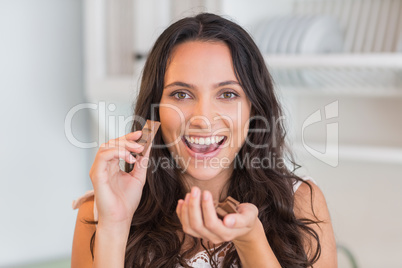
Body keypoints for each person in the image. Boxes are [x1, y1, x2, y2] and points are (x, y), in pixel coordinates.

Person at [71, 13, 337, 268]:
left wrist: (251, 241)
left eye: (228, 94)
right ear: (156, 110)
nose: (203, 118)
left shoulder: (301, 202)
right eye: (181, 95)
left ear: (254, 108)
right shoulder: (98, 211)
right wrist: (116, 224)